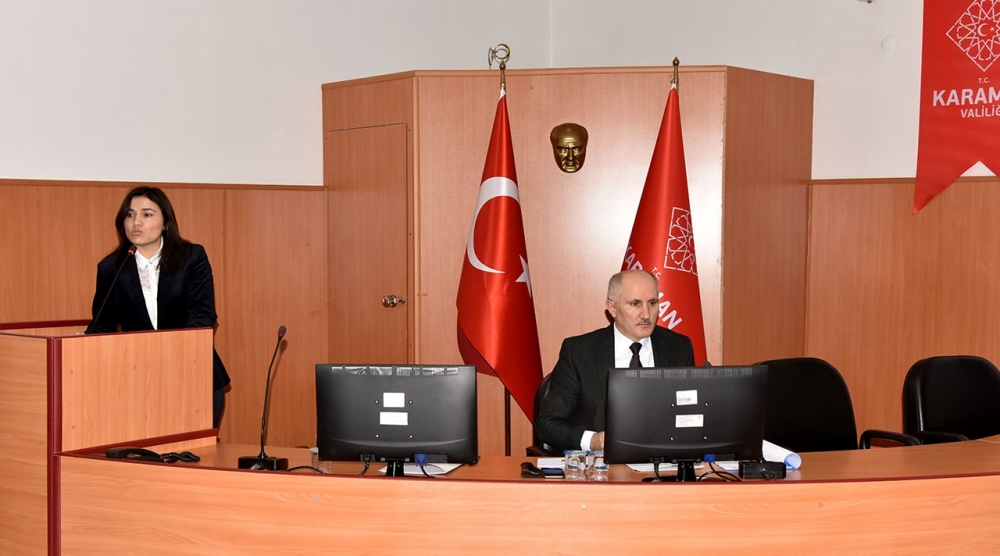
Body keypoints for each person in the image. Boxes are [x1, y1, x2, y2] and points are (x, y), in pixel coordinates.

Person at [86, 186, 231, 428]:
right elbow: (103, 324)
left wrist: (172, 355)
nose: (137, 222)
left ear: (165, 222)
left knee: (199, 448)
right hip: (140, 380)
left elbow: (203, 314)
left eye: (147, 214)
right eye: (130, 214)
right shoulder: (111, 268)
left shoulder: (191, 257)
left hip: (194, 371)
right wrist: (82, 343)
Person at [534, 269, 694, 453]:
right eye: (635, 304)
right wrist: (593, 440)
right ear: (612, 308)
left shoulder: (679, 347)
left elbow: (690, 412)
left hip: (663, 460)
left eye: (652, 303)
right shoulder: (580, 352)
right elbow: (547, 424)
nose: (646, 314)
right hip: (601, 464)